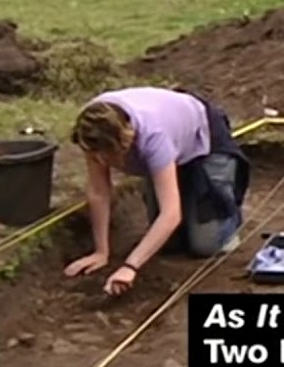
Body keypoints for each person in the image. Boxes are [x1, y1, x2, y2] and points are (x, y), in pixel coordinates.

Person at [64, 86, 251, 295]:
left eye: (106, 156)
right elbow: (99, 191)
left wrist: (130, 267)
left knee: (205, 246)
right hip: (170, 145)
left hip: (205, 141)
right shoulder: (91, 130)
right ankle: (191, 200)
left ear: (124, 141)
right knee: (168, 244)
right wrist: (101, 252)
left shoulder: (153, 136)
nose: (100, 162)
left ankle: (227, 216)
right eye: (96, 156)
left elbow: (170, 215)